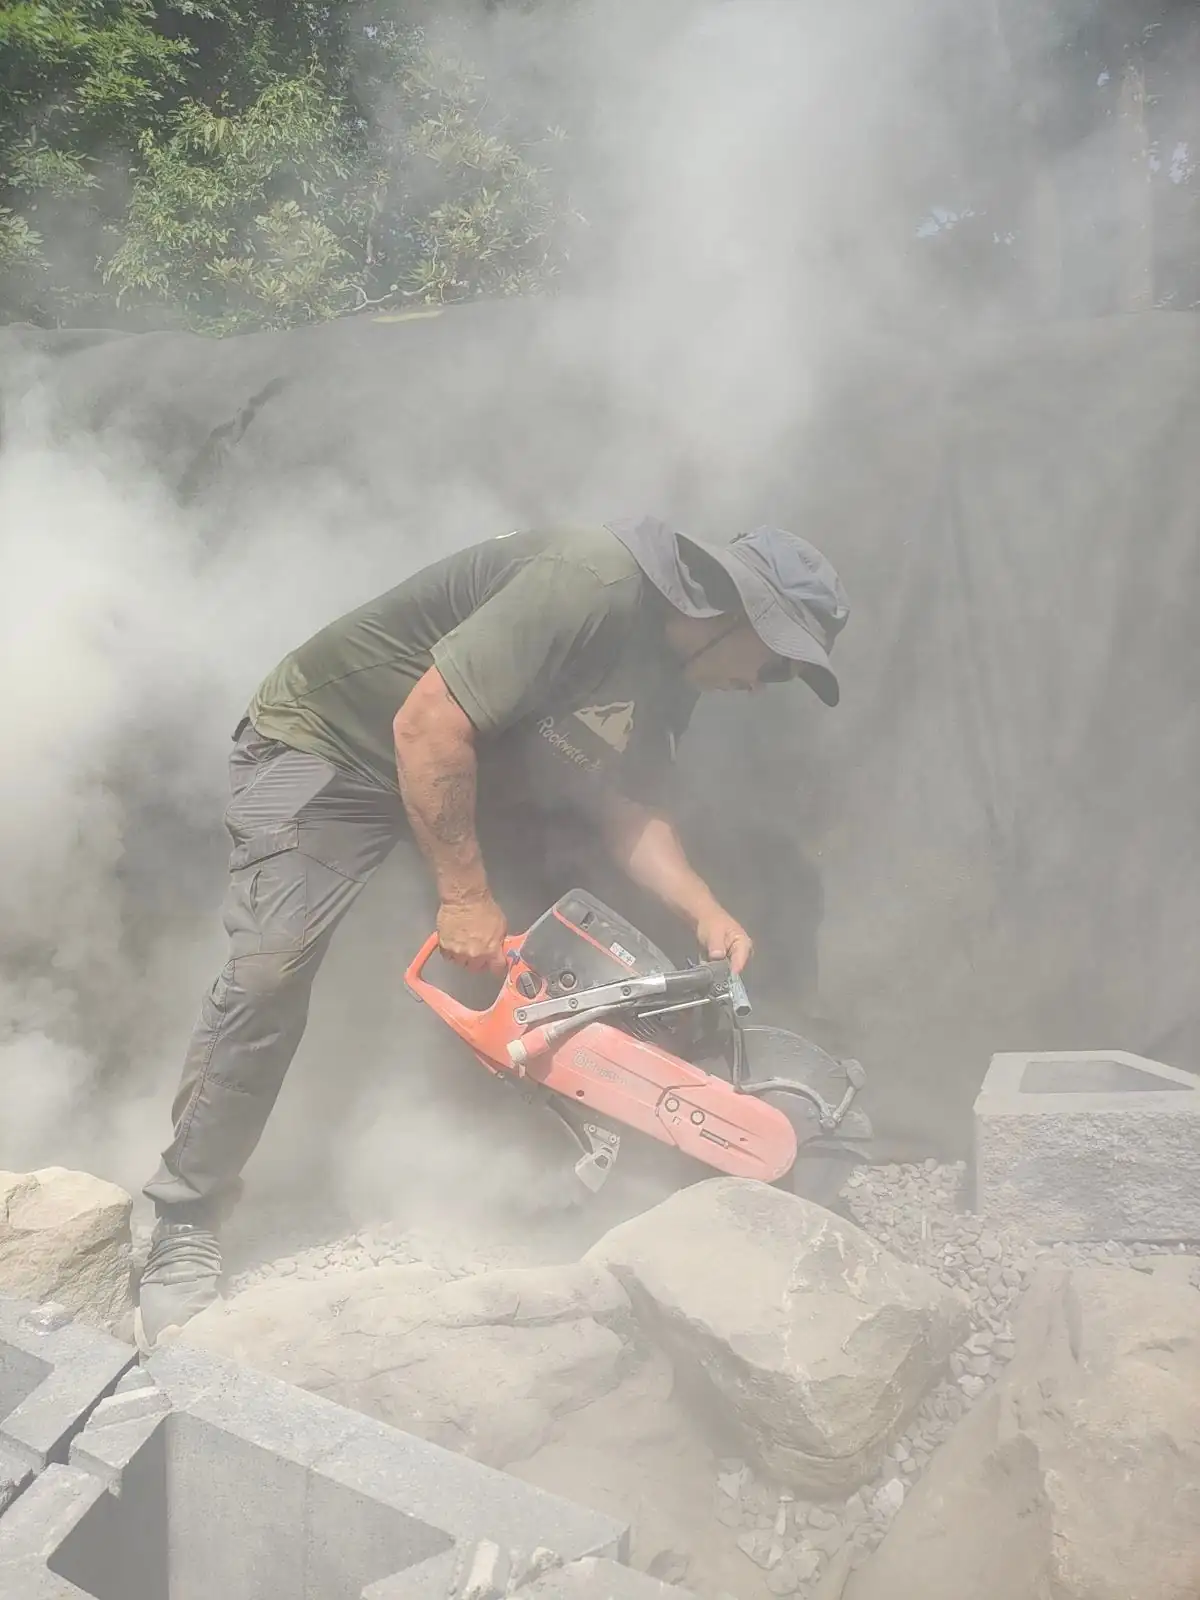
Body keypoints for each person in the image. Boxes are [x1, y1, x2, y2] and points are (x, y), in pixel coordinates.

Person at [133, 513, 849, 1349]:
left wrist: (702, 906)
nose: (766, 688)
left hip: (469, 767)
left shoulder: (671, 672)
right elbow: (425, 725)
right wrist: (465, 893)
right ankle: (185, 1218)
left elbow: (627, 810)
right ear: (743, 614)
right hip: (335, 746)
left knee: (571, 952)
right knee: (271, 970)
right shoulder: (591, 582)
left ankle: (523, 1165)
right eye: (775, 666)